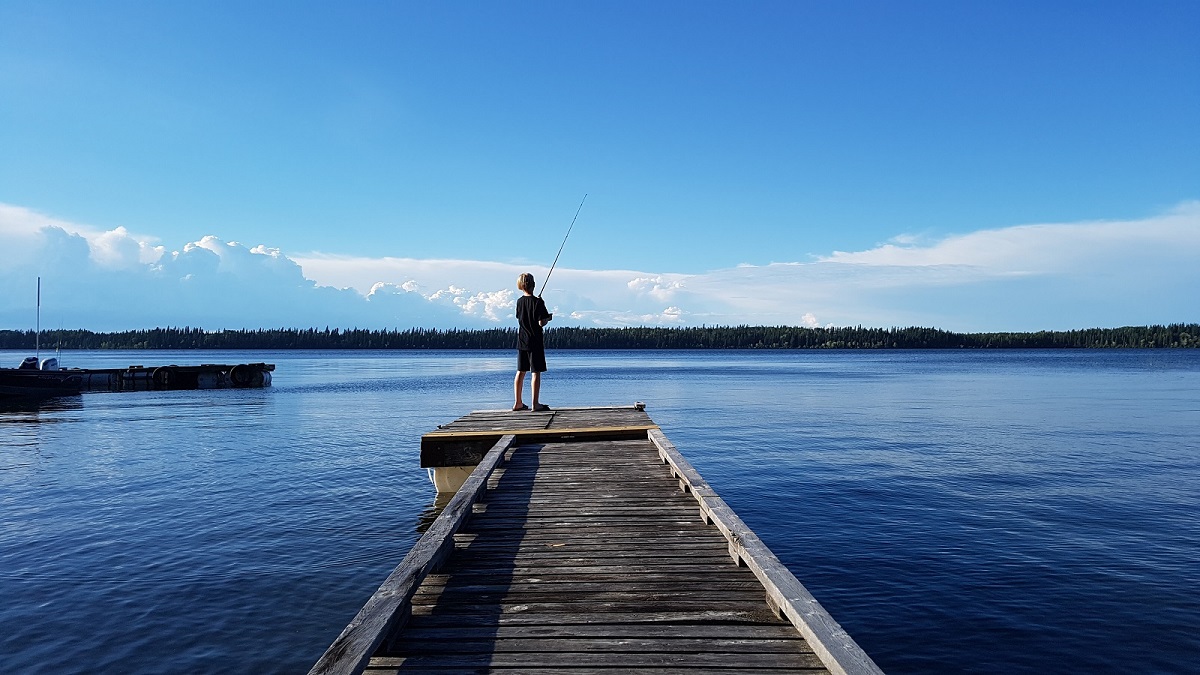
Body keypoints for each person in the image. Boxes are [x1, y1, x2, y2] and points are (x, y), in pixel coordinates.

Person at [513, 272, 552, 412]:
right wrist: (548, 318)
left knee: (521, 371)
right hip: (535, 341)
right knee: (535, 372)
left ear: (520, 285)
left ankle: (518, 402)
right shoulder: (538, 302)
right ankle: (535, 404)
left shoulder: (519, 302)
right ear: (533, 285)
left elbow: (521, 318)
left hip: (522, 341)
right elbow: (541, 322)